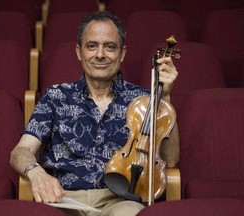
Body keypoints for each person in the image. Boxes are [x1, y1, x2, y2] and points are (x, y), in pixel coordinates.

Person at [10, 11, 179, 216]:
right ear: (79, 52)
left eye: (110, 46)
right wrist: (35, 172)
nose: (100, 54)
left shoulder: (144, 100)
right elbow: (20, 152)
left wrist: (165, 97)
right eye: (92, 46)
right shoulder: (56, 96)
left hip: (120, 201)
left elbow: (169, 160)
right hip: (63, 199)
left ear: (122, 53)